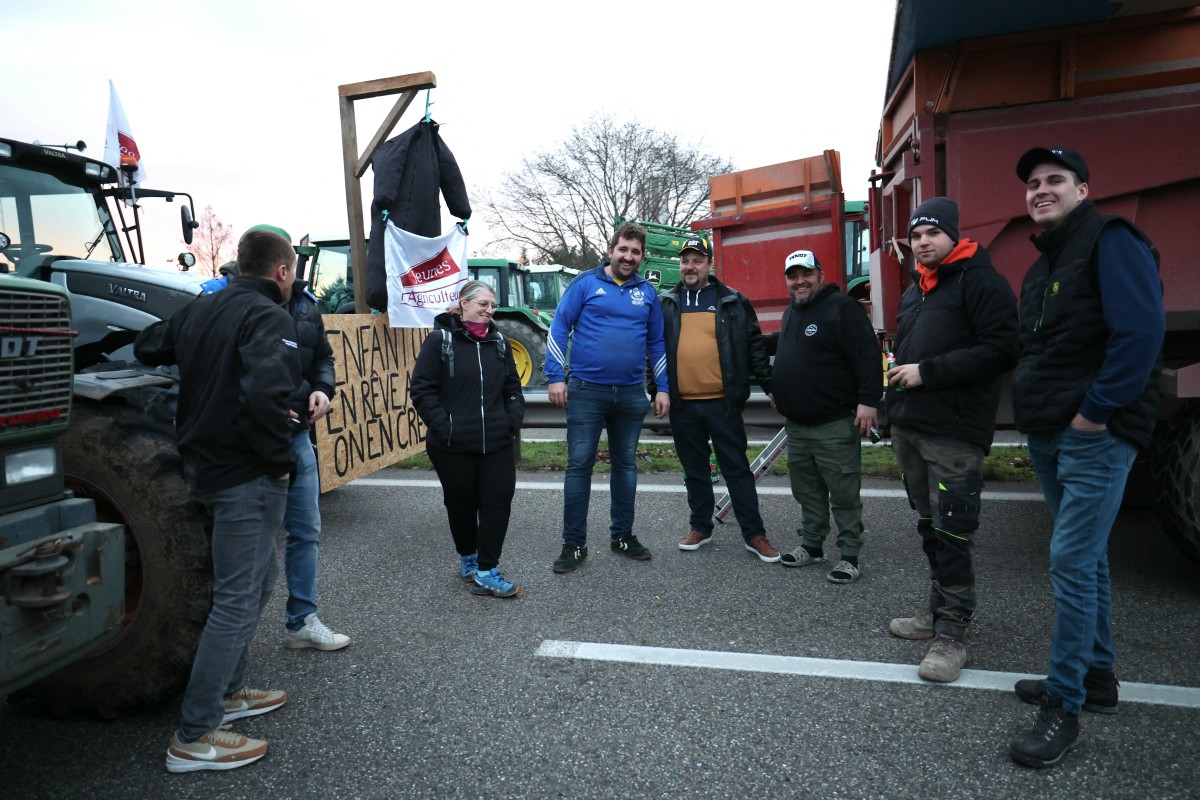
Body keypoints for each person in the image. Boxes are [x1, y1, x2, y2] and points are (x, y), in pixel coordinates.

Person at [1007, 147, 1165, 768]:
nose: (1041, 190)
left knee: (1070, 562)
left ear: (1083, 188)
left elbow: (1142, 333)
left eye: (1055, 180)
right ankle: (1096, 678)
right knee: (1088, 560)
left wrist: (1094, 412)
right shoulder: (1045, 261)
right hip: (1052, 432)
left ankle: (1064, 704)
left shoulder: (1111, 240)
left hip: (1094, 434)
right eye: (1033, 184)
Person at [135, 229, 301, 773]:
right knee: (236, 598)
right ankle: (194, 734)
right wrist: (280, 459)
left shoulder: (202, 308)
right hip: (245, 474)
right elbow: (263, 396)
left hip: (204, 467)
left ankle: (229, 694)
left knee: (259, 582)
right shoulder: (268, 316)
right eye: (293, 269)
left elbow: (148, 345)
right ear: (282, 270)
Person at [883, 197, 1019, 684]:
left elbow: (1003, 348)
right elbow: (903, 356)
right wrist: (889, 410)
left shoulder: (982, 282)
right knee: (928, 525)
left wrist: (930, 373)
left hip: (955, 432)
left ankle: (953, 635)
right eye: (916, 236)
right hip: (912, 428)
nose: (922, 242)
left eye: (931, 234)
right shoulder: (917, 289)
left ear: (953, 236)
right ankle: (935, 611)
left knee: (954, 531)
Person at [544, 221, 670, 573]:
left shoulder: (646, 293)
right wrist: (555, 376)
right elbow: (559, 326)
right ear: (611, 250)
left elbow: (656, 342)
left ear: (641, 257)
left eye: (635, 252)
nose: (628, 256)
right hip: (587, 391)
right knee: (579, 466)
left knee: (626, 467)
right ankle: (573, 544)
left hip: (631, 394)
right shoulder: (585, 283)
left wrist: (663, 388)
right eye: (623, 249)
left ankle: (623, 536)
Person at [656, 235, 779, 562]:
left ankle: (755, 534)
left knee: (737, 470)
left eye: (697, 260)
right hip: (682, 406)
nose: (690, 266)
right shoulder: (666, 303)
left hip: (722, 404)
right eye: (685, 260)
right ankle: (700, 526)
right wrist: (656, 390)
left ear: (710, 265)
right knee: (694, 470)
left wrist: (770, 388)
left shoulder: (733, 301)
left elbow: (754, 348)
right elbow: (651, 351)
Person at [766, 249, 879, 583]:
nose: (799, 281)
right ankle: (813, 547)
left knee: (844, 493)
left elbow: (868, 356)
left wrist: (869, 401)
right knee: (807, 491)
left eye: (806, 273)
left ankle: (849, 556)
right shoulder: (792, 313)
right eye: (793, 275)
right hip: (797, 427)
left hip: (834, 422)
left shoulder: (842, 308)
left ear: (820, 273)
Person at [410, 280, 526, 597]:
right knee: (461, 505)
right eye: (483, 304)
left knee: (497, 503)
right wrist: (445, 426)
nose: (490, 311)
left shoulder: (500, 342)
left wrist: (511, 422)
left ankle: (487, 571)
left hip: (496, 442)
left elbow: (513, 389)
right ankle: (468, 555)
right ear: (464, 304)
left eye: (493, 306)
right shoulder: (440, 341)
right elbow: (421, 390)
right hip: (451, 446)